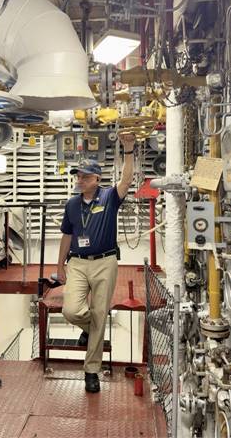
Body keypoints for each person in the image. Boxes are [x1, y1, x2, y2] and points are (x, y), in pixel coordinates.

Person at [57, 133, 136, 393]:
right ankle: (91, 329)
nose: (79, 180)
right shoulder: (71, 204)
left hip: (105, 261)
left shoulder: (109, 197)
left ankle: (91, 370)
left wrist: (128, 150)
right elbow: (67, 236)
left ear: (97, 179)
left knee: (100, 312)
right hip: (78, 263)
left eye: (85, 177)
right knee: (72, 311)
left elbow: (126, 180)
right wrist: (59, 266)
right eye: (78, 176)